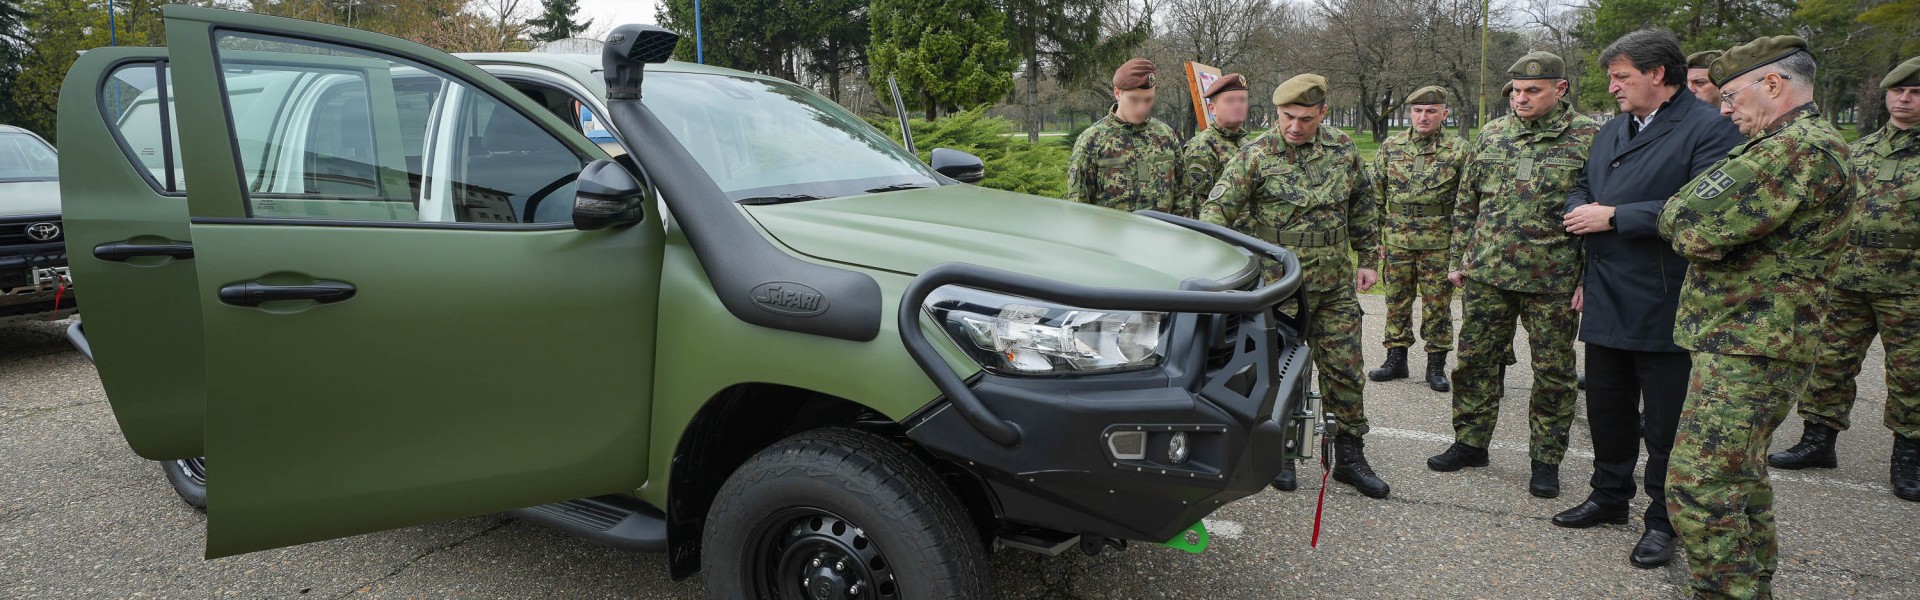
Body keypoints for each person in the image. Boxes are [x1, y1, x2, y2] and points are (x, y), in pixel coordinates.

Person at [1657, 35, 1855, 599]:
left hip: (1752, 342)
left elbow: (1687, 225)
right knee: (1739, 481)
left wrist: (1680, 218)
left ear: (1772, 83)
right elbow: (1685, 217)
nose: (1724, 110)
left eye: (1731, 95)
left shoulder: (1793, 150)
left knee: (1701, 485)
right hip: (1750, 338)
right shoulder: (1790, 143)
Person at [1553, 29, 1745, 570]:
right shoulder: (1613, 128)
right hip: (1606, 291)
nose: (1613, 87)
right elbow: (1584, 184)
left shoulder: (1709, 129)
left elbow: (1704, 209)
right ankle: (1609, 496)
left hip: (1666, 298)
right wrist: (1578, 209)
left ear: (1657, 74)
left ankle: (1663, 519)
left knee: (1664, 422)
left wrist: (1617, 217)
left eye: (1622, 77)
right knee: (1607, 408)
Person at [1201, 74, 1390, 499]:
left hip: (1335, 282)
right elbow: (1215, 213)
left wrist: (1368, 257)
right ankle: (1281, 454)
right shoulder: (1256, 154)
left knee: (1345, 368)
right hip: (1279, 287)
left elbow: (1362, 202)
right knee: (1278, 372)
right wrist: (1228, 269)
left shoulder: (1342, 149)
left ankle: (1350, 456)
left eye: (1306, 118)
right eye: (1287, 116)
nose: (1294, 126)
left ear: (1323, 113)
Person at [1429, 51, 1596, 500]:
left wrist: (1587, 278)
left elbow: (1595, 213)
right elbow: (1467, 202)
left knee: (1553, 374)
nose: (1521, 99)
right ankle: (1470, 443)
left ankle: (1545, 461)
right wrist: (1458, 259)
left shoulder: (1589, 138)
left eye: (1532, 91)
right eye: (1515, 92)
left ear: (1560, 89)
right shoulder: (1493, 133)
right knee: (1474, 363)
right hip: (1487, 272)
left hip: (1553, 280)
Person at [1769, 55, 1920, 503]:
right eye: (1898, 91)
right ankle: (1818, 440)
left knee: (1912, 374)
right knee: (1829, 362)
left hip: (1910, 286)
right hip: (1847, 278)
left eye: (1915, 93)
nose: (1904, 100)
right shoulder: (1861, 149)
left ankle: (1909, 456)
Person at [1369, 85, 1468, 392]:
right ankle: (1395, 359)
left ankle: (1435, 365)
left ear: (1444, 114)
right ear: (1409, 113)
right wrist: (1375, 239)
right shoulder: (1392, 146)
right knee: (1396, 301)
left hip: (1438, 242)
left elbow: (1467, 203)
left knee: (1437, 305)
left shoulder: (1459, 150)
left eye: (1431, 111)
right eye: (1417, 111)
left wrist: (1459, 249)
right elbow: (1374, 196)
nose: (1423, 117)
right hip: (1397, 239)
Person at [1066, 58, 1181, 212]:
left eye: (1148, 99)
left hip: (1162, 228)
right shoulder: (1091, 141)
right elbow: (1079, 206)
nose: (1141, 108)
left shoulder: (1165, 135)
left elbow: (1183, 194)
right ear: (1117, 93)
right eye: (1134, 99)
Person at [1180, 73, 1254, 219]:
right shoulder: (1202, 146)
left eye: (1242, 100)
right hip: (1223, 230)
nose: (1238, 106)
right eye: (1230, 101)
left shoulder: (1246, 143)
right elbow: (1197, 204)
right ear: (1212, 108)